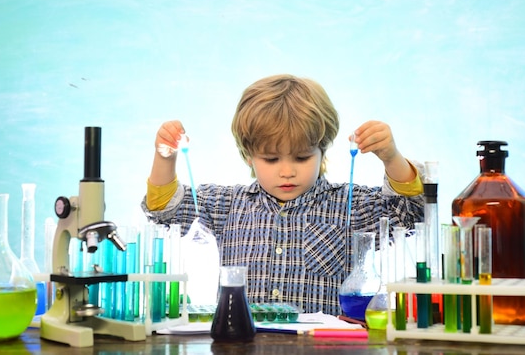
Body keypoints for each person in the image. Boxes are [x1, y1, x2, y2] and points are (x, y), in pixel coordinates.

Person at [142, 74, 424, 315]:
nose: (287, 171)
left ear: (322, 151)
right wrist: (164, 157)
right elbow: (165, 210)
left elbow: (411, 213)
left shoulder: (353, 206)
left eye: (302, 157)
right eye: (271, 159)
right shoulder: (227, 205)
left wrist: (391, 157)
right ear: (249, 156)